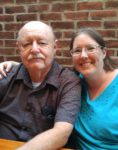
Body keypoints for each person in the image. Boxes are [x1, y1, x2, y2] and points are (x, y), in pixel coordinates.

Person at [1, 28, 118, 150]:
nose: (84, 56)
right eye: (77, 51)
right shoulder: (74, 84)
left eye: (90, 48)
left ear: (104, 52)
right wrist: (18, 66)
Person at [0, 21, 81, 150]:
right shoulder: (5, 75)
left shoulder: (68, 82)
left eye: (42, 43)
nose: (34, 49)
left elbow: (61, 133)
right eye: (26, 44)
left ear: (55, 47)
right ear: (19, 48)